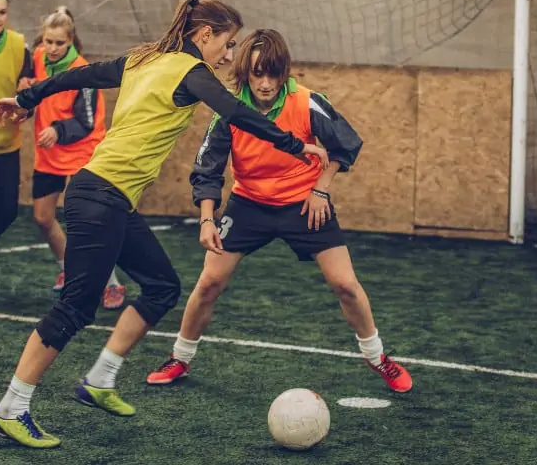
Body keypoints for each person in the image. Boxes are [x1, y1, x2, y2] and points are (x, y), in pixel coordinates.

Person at [0, 0, 328, 449]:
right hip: (100, 197)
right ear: (205, 34)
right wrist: (296, 144)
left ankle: (99, 380)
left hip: (109, 198)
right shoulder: (191, 73)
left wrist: (28, 97)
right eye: (228, 44)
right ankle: (11, 407)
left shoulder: (142, 57)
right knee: (76, 307)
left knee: (161, 286)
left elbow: (79, 76)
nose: (230, 56)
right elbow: (238, 113)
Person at [145, 29, 412, 393]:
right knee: (208, 283)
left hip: (304, 203)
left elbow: (345, 145)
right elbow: (207, 168)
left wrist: (321, 189)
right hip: (249, 203)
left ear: (284, 71)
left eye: (273, 73)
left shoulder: (307, 101)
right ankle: (180, 357)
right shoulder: (230, 108)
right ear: (245, 72)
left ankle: (378, 357)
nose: (266, 83)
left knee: (346, 285)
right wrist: (207, 218)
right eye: (258, 73)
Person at [29, 7, 126, 308]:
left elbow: (85, 121)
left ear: (71, 40)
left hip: (82, 152)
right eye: (48, 41)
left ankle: (111, 284)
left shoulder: (83, 72)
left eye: (60, 43)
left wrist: (58, 129)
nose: (53, 48)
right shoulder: (36, 60)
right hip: (48, 154)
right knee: (43, 218)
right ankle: (67, 270)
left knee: (85, 222)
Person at [0, 0, 35, 242]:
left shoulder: (20, 46)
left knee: (7, 211)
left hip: (6, 145)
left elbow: (28, 101)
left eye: (2, 12)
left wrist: (25, 106)